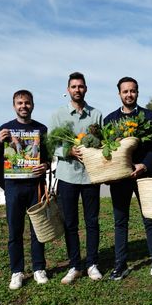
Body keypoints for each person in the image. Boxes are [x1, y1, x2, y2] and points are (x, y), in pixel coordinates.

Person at [104, 76, 152, 282]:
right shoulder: (110, 120)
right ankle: (120, 265)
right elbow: (108, 150)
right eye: (125, 91)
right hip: (121, 178)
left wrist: (145, 165)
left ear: (137, 92)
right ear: (119, 94)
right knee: (120, 222)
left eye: (132, 91)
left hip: (146, 175)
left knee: (150, 220)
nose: (129, 94)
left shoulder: (149, 116)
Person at [0, 89, 49, 290]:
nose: (24, 106)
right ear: (14, 106)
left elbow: (48, 157)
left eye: (27, 103)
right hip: (13, 187)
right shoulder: (5, 129)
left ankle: (39, 268)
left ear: (33, 104)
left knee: (37, 230)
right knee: (15, 231)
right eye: (20, 103)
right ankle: (17, 271)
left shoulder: (41, 129)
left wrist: (46, 165)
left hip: (35, 187)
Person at [51, 72, 103, 284]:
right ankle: (74, 265)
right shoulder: (58, 115)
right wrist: (69, 151)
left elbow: (102, 143)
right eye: (73, 87)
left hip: (91, 177)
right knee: (70, 223)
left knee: (92, 222)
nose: (77, 90)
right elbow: (51, 144)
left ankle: (92, 264)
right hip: (67, 176)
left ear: (86, 89)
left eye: (81, 86)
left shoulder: (96, 115)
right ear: (68, 90)